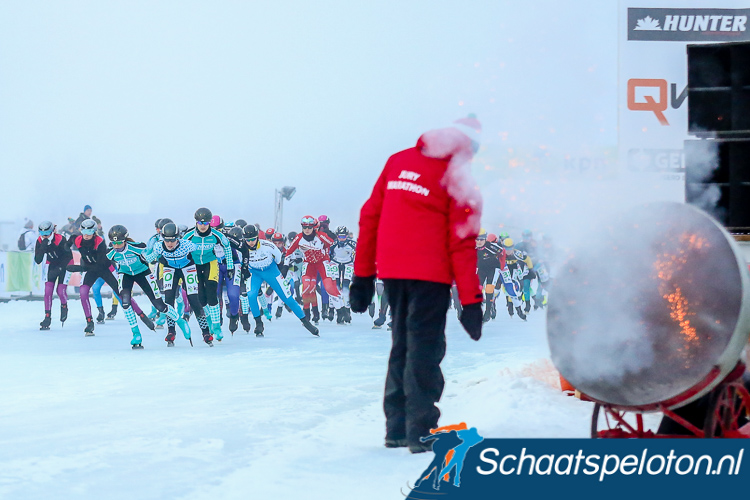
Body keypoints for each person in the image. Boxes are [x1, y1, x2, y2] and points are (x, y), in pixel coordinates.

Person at [349, 115, 484, 453]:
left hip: (392, 271)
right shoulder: (459, 178)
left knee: (402, 344)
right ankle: (420, 430)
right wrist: (471, 301)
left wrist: (363, 276)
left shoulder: (398, 161)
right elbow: (462, 242)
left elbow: (370, 216)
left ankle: (395, 427)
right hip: (430, 275)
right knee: (424, 349)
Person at [106, 225, 190, 349]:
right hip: (125, 275)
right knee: (125, 303)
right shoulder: (110, 253)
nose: (116, 246)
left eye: (119, 242)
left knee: (159, 305)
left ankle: (180, 321)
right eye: (114, 243)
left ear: (125, 240)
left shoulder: (138, 247)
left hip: (143, 273)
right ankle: (136, 334)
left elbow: (152, 255)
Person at [239, 224, 319, 337]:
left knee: (287, 298)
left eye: (253, 239)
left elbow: (278, 258)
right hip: (255, 273)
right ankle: (258, 323)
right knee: (251, 295)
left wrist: (280, 269)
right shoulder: (241, 248)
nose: (251, 242)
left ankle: (306, 323)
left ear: (257, 237)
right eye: (248, 240)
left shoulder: (268, 246)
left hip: (271, 271)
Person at [145, 222, 215, 346]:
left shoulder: (187, 245)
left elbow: (204, 252)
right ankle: (171, 331)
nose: (170, 244)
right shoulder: (158, 246)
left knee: (194, 299)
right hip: (170, 269)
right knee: (169, 299)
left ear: (178, 238)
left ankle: (206, 332)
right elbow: (149, 259)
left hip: (187, 268)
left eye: (173, 240)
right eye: (167, 240)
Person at [183, 208, 234, 341]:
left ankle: (217, 328)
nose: (203, 226)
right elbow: (179, 252)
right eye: (200, 223)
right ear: (196, 222)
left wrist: (230, 267)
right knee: (201, 297)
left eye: (206, 223)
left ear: (210, 223)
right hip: (194, 265)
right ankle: (210, 321)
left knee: (212, 293)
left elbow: (227, 248)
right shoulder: (188, 236)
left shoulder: (217, 235)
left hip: (210, 263)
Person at [285, 215, 344, 325]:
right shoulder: (298, 238)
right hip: (309, 264)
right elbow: (288, 252)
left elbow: (336, 245)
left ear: (314, 228)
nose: (307, 230)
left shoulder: (321, 236)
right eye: (304, 227)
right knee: (307, 288)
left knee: (329, 288)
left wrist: (339, 258)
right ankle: (309, 313)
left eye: (309, 227)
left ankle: (341, 311)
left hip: (322, 262)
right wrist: (285, 267)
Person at [35, 221, 72, 329]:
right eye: (42, 234)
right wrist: (43, 246)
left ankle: (64, 306)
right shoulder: (39, 240)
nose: (45, 236)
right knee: (48, 291)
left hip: (65, 264)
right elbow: (38, 260)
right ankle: (47, 317)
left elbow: (67, 256)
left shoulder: (60, 239)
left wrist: (61, 268)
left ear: (52, 232)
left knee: (60, 291)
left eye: (47, 234)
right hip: (52, 264)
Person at [330, 225, 356, 324]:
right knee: (335, 288)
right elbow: (328, 254)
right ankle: (336, 309)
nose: (342, 239)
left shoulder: (352, 244)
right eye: (340, 236)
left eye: (344, 236)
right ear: (337, 236)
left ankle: (347, 310)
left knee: (345, 288)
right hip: (335, 263)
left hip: (348, 264)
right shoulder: (333, 244)